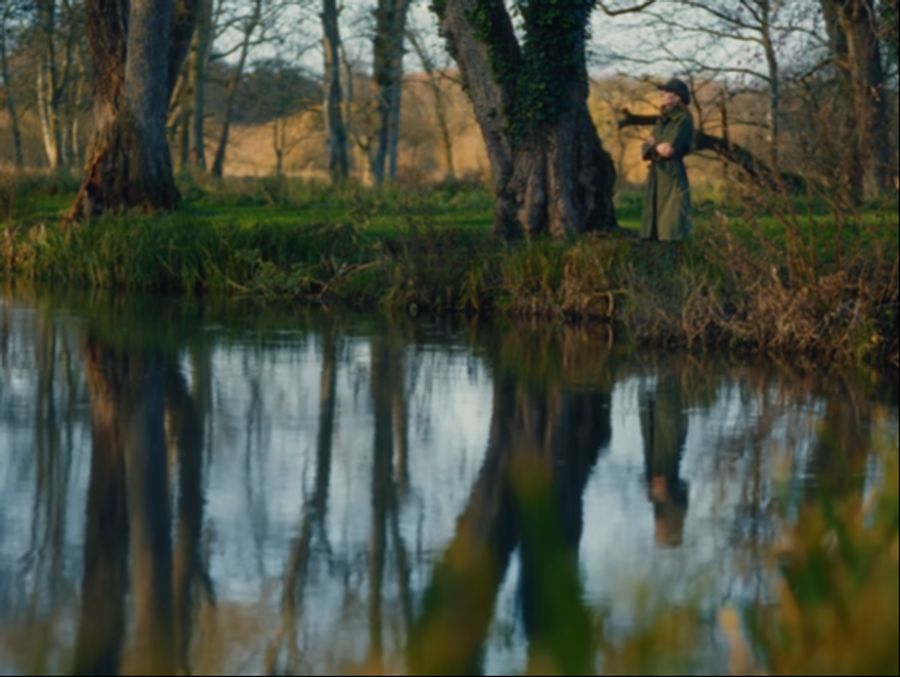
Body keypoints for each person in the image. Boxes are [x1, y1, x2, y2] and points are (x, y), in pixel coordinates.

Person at [641, 78, 695, 242]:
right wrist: (656, 147)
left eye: (666, 92)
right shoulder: (661, 120)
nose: (661, 95)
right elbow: (644, 148)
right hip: (656, 176)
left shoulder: (683, 120)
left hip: (671, 177)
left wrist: (653, 146)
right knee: (653, 230)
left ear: (677, 97)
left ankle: (675, 265)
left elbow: (670, 149)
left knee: (671, 230)